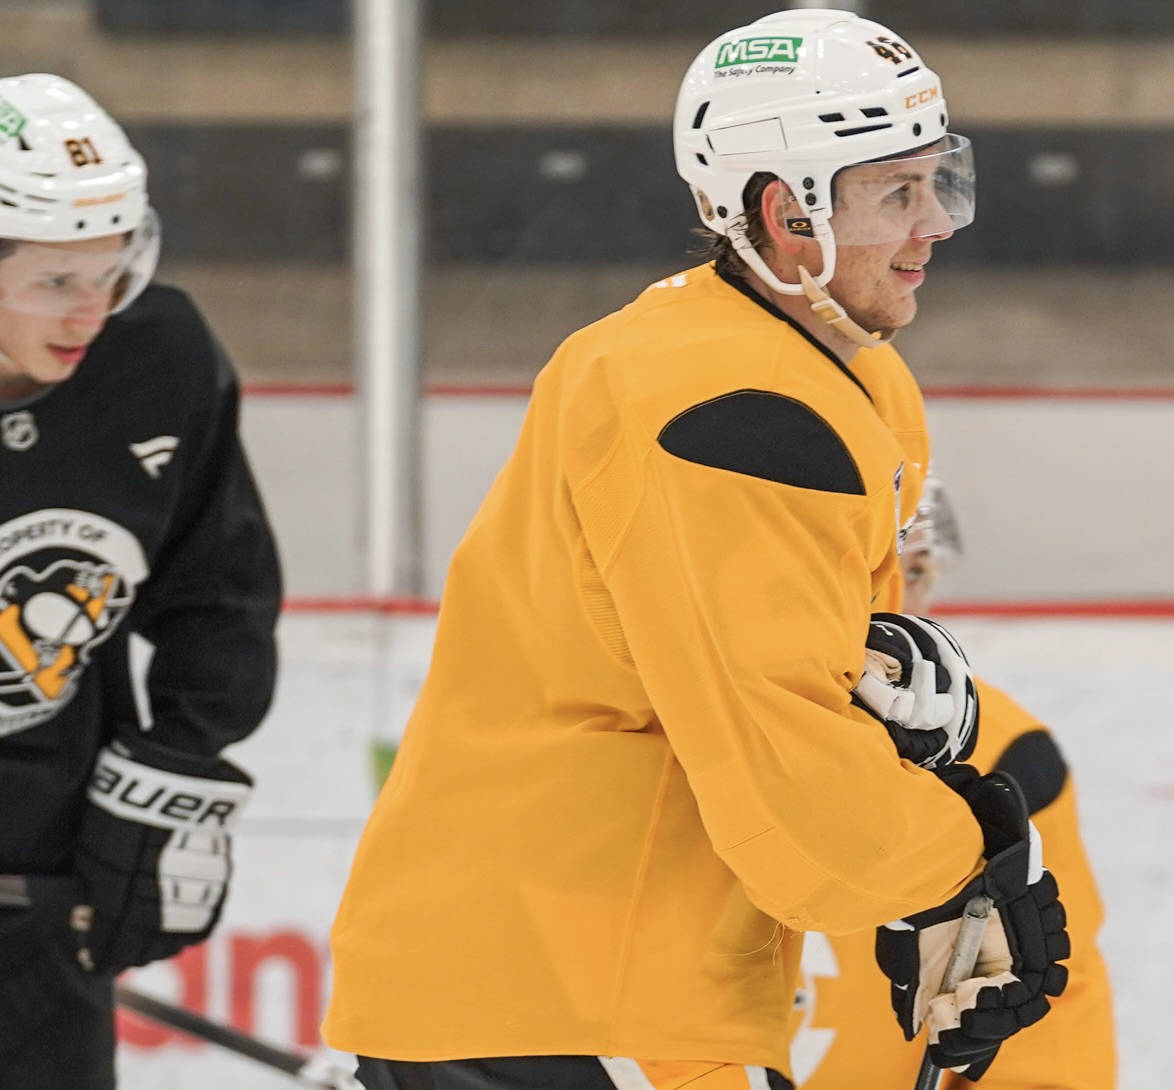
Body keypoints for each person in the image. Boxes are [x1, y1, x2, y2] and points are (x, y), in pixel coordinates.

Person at [325, 10, 1067, 1089]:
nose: (936, 224)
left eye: (938, 177)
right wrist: (974, 856)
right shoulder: (731, 410)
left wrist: (905, 709)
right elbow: (796, 801)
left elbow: (819, 678)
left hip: (589, 983)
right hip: (574, 992)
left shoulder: (835, 372)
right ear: (782, 209)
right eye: (894, 192)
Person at [0, 73, 282, 1089]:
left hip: (43, 889)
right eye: (54, 283)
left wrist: (178, 763)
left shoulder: (156, 358)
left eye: (112, 272)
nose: (93, 312)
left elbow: (221, 590)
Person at [790, 478, 1118, 1090]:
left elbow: (1045, 1029)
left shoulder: (1003, 756)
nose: (894, 603)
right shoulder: (657, 720)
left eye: (914, 574)